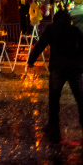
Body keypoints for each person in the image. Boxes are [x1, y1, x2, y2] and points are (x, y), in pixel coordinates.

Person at [28, 10, 83, 142]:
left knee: (54, 97)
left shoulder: (52, 29)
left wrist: (32, 59)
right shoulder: (75, 30)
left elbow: (41, 44)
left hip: (58, 68)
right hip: (74, 68)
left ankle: (53, 125)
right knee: (80, 97)